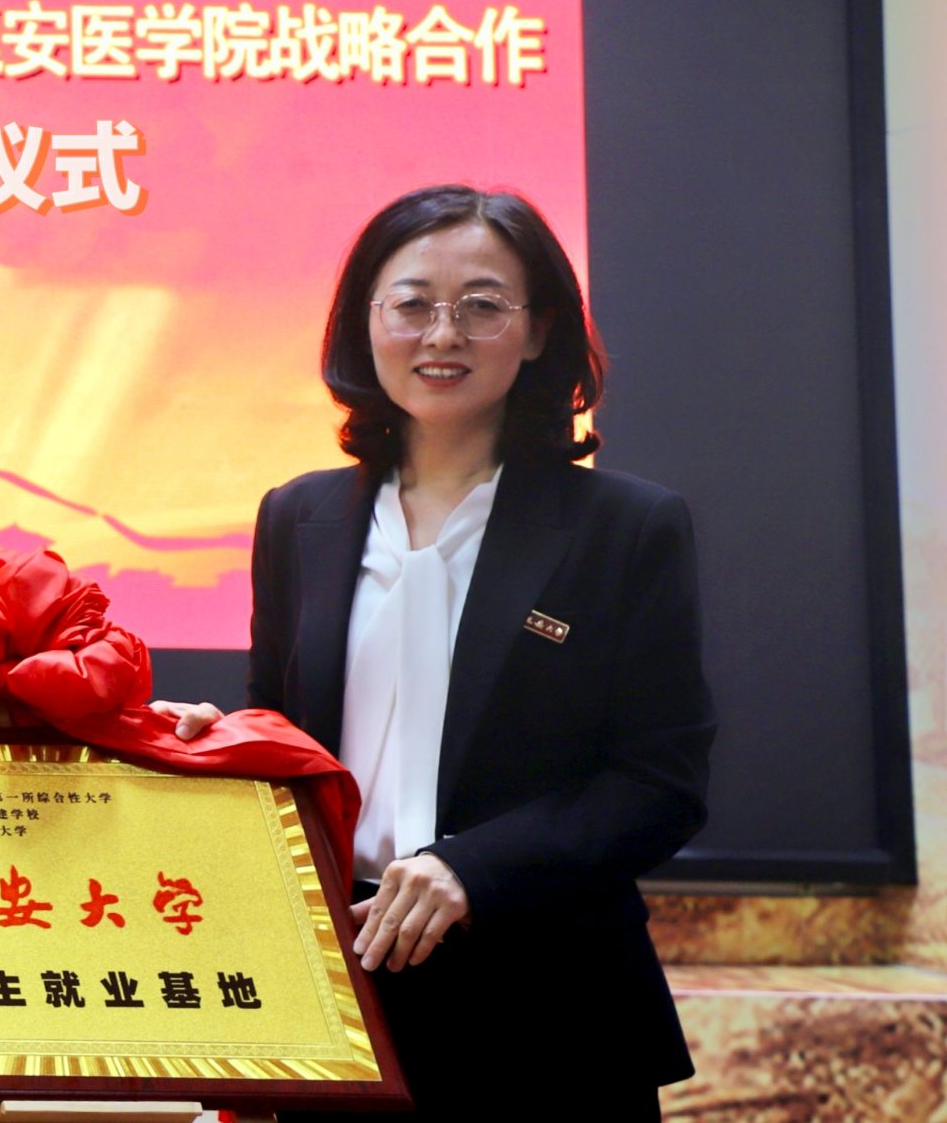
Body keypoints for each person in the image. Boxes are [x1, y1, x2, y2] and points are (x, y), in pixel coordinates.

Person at [155, 186, 715, 1119]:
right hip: (338, 987)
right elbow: (289, 732)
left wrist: (468, 869)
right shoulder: (298, 517)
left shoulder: (626, 526)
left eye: (482, 305)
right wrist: (223, 745)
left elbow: (660, 784)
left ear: (538, 330)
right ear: (365, 322)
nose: (442, 334)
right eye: (412, 304)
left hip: (547, 1006)